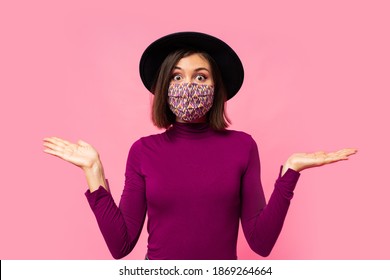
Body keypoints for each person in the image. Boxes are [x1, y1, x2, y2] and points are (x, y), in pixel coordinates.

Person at [42, 32, 357, 260]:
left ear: (216, 88)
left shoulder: (243, 147)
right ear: (164, 88)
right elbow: (120, 245)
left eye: (200, 77)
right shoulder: (142, 152)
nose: (188, 86)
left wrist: (290, 173)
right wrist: (93, 172)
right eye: (177, 78)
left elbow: (260, 243)